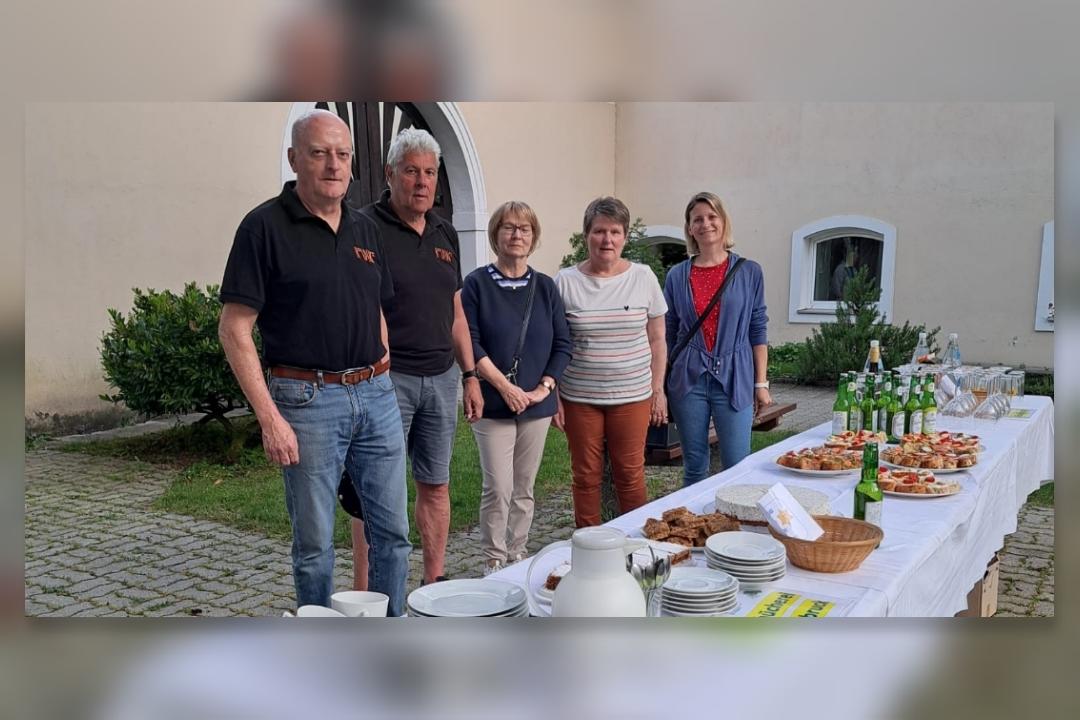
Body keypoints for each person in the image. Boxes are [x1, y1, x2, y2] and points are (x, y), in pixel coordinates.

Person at [217, 109, 411, 613]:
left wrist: (383, 366)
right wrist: (269, 419)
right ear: (294, 159)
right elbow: (235, 328)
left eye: (342, 155)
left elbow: (377, 308)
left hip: (376, 394)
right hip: (306, 400)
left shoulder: (366, 229)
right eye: (319, 153)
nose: (333, 165)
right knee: (314, 546)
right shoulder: (263, 228)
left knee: (393, 533)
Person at [352, 127, 483, 586]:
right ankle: (366, 591)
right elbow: (360, 303)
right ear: (390, 174)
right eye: (412, 171)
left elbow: (456, 311)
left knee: (436, 483)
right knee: (375, 489)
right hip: (388, 379)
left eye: (430, 172)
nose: (422, 181)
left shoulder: (446, 231)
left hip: (442, 378)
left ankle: (433, 584)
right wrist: (379, 373)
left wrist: (469, 374)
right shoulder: (364, 226)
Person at [461, 201, 572, 575]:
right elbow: (470, 341)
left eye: (524, 228)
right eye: (508, 227)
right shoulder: (476, 284)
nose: (516, 234)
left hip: (536, 405)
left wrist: (544, 389)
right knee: (498, 487)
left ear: (534, 237)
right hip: (492, 404)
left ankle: (518, 552)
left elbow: (562, 343)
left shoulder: (545, 287)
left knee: (524, 488)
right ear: (495, 235)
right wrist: (503, 386)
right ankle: (494, 558)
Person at [553, 197, 668, 528]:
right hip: (580, 398)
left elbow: (658, 338)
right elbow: (555, 343)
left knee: (630, 475)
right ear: (586, 234)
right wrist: (554, 395)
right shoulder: (565, 282)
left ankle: (636, 546)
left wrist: (657, 390)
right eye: (600, 231)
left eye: (615, 232)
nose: (607, 240)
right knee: (585, 477)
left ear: (625, 237)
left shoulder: (643, 277)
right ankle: (590, 547)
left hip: (632, 396)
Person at [664, 191, 771, 486]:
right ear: (689, 228)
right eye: (697, 219)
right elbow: (668, 331)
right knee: (695, 467)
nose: (705, 224)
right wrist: (660, 384)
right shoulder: (676, 275)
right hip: (689, 379)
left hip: (735, 376)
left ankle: (734, 529)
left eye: (712, 217)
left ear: (724, 223)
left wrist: (760, 384)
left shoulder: (749, 272)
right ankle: (695, 528)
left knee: (738, 466)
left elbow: (757, 328)